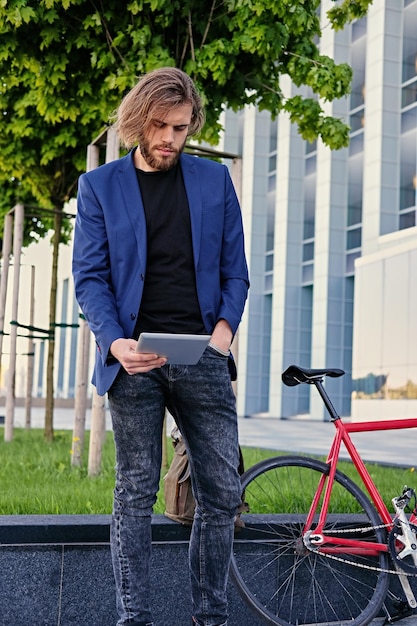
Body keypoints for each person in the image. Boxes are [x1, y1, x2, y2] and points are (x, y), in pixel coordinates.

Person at [72, 66, 249, 626]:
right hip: (135, 361)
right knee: (135, 490)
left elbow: (235, 272)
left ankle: (210, 617)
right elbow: (90, 278)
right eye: (160, 126)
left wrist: (224, 333)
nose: (170, 138)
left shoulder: (213, 181)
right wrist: (116, 342)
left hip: (202, 353)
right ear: (136, 122)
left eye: (180, 126)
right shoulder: (100, 186)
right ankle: (135, 618)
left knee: (221, 491)